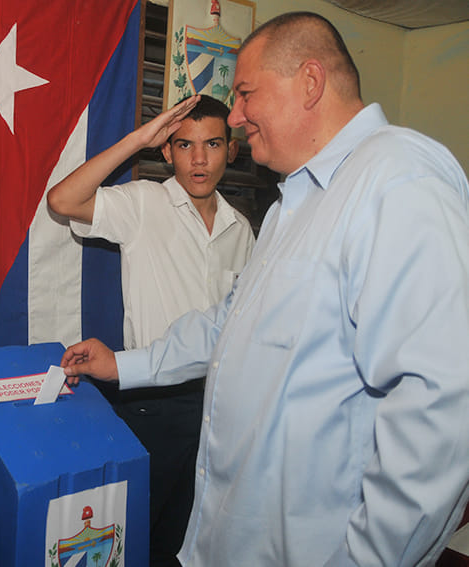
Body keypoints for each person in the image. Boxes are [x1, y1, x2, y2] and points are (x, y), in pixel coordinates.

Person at [60, 11, 469, 567]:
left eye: (246, 93)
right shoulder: (289, 210)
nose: (235, 115)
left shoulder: (396, 179)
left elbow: (440, 409)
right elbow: (226, 324)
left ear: (310, 82)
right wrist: (127, 367)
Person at [47, 95, 253, 566]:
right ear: (166, 151)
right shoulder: (144, 203)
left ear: (231, 150)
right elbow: (62, 200)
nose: (199, 159)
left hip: (218, 409)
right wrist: (138, 139)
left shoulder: (242, 230)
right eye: (184, 145)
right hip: (150, 403)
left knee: (190, 542)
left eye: (213, 144)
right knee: (129, 540)